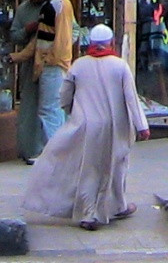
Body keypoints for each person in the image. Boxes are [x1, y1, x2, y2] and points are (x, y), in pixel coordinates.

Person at [23, 24, 149, 230]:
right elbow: (131, 98)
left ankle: (105, 209)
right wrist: (141, 126)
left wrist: (71, 111)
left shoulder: (79, 65)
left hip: (86, 125)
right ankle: (100, 211)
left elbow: (64, 95)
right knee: (116, 166)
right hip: (115, 128)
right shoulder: (120, 66)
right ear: (111, 44)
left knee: (89, 167)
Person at [11, 0, 77, 148]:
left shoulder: (58, 4)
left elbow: (64, 36)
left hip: (52, 64)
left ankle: (56, 153)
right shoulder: (45, 6)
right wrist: (20, 56)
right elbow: (39, 38)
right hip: (45, 64)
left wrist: (52, 59)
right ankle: (48, 150)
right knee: (45, 109)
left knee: (50, 110)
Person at [11, 0, 44, 164]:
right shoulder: (23, 10)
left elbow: (71, 31)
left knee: (49, 107)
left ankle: (46, 148)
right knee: (29, 106)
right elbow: (14, 35)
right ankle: (28, 149)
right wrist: (26, 30)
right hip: (30, 64)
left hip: (50, 63)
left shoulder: (54, 6)